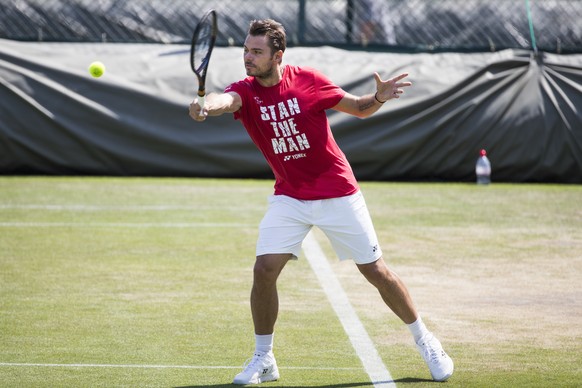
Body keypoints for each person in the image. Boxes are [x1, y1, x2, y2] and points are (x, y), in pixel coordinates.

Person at [189, 19, 454, 385]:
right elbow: (225, 100)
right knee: (264, 269)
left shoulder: (308, 80)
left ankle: (426, 340)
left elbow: (359, 107)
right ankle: (263, 358)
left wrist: (378, 96)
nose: (248, 58)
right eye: (246, 51)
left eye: (256, 52)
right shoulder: (245, 91)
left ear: (277, 56)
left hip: (338, 192)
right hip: (290, 196)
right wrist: (206, 106)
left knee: (376, 272)